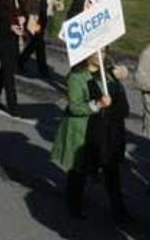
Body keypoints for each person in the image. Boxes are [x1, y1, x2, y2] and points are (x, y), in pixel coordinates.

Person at [50, 51, 131, 222]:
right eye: (97, 51)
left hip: (105, 129)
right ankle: (74, 205)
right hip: (84, 129)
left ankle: (120, 211)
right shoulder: (76, 77)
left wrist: (119, 77)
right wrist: (97, 104)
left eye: (104, 50)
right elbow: (75, 107)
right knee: (79, 169)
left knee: (111, 169)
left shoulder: (108, 72)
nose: (101, 55)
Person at [19, 0, 58, 77]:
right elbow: (24, 1)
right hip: (34, 18)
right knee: (39, 42)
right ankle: (42, 68)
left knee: (37, 42)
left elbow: (52, 1)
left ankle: (20, 61)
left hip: (44, 17)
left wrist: (57, 5)